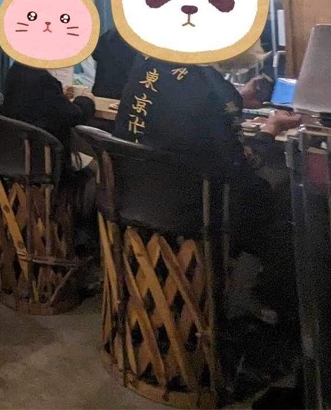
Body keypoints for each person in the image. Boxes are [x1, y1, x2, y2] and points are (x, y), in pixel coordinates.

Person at [114, 56, 300, 327]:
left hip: (131, 199)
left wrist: (235, 98)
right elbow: (238, 164)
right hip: (190, 210)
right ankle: (249, 299)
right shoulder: (213, 88)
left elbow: (184, 105)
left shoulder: (145, 66)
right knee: (274, 194)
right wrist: (270, 129)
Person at [0, 61, 96, 153]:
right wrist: (86, 100)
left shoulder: (16, 70)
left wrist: (60, 94)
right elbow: (75, 116)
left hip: (17, 151)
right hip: (44, 154)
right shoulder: (42, 80)